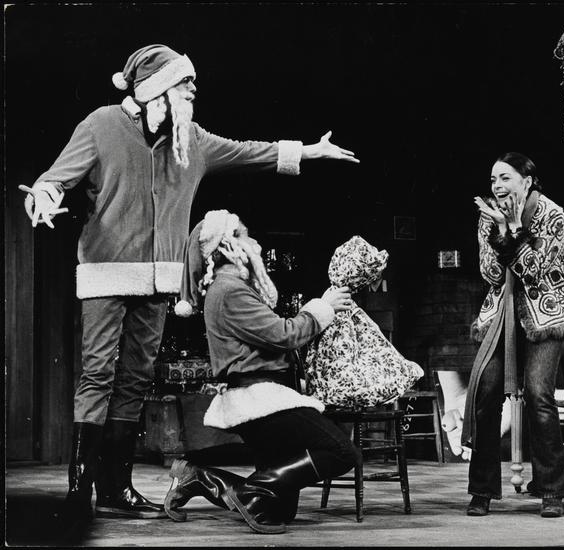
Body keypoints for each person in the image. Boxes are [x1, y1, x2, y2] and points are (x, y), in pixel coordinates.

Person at [20, 43, 358, 527]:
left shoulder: (191, 139)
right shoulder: (101, 125)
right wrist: (44, 196)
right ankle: (79, 490)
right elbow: (57, 178)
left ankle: (115, 489)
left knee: (135, 380)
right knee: (98, 375)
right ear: (155, 88)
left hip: (159, 280)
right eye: (184, 82)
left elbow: (248, 151)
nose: (193, 89)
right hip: (106, 272)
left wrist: (308, 150)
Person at [163, 209, 361, 534]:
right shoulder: (230, 290)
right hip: (261, 398)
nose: (253, 242)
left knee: (278, 510)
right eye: (243, 234)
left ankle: (199, 477)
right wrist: (322, 307)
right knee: (341, 452)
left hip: (261, 396)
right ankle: (249, 491)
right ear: (228, 247)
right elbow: (284, 334)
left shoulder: (230, 289)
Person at [461, 152, 564, 518]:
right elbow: (492, 275)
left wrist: (513, 230)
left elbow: (534, 271)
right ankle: (481, 490)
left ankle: (552, 490)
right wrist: (499, 229)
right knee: (486, 393)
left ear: (526, 181)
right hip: (501, 316)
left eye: (505, 178)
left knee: (540, 394)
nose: (497, 185)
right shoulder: (487, 216)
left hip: (546, 316)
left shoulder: (552, 214)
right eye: (493, 179)